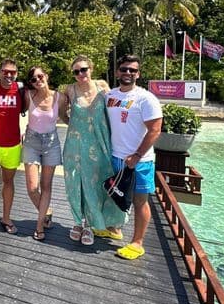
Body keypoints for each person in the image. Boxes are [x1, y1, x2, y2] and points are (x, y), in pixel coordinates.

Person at [62, 55, 126, 246]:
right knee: (74, 183)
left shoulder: (102, 87)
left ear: (91, 69)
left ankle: (91, 225)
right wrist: (73, 125)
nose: (80, 74)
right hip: (75, 145)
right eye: (76, 71)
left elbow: (116, 110)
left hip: (99, 144)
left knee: (95, 184)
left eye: (84, 69)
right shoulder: (70, 90)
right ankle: (77, 222)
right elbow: (61, 113)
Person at [106, 55, 163, 260]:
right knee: (115, 195)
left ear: (138, 74)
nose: (128, 73)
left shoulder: (146, 98)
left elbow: (155, 129)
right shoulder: (110, 96)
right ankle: (114, 229)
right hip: (115, 157)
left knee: (140, 201)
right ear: (117, 72)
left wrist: (137, 155)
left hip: (140, 161)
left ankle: (137, 242)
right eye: (124, 69)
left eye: (132, 70)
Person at [22, 66, 63, 241]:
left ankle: (39, 226)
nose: (38, 80)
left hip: (51, 143)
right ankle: (46, 212)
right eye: (33, 79)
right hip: (31, 142)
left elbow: (67, 116)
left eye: (40, 76)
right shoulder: (28, 96)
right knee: (32, 188)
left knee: (46, 186)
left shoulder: (60, 97)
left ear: (46, 75)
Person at [0, 59, 25, 234]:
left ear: (16, 74)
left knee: (8, 182)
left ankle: (6, 218)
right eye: (5, 71)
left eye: (12, 72)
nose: (9, 75)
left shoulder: (21, 90)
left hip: (12, 144)